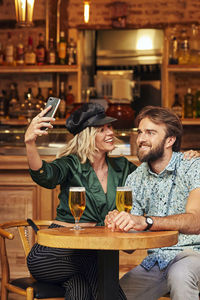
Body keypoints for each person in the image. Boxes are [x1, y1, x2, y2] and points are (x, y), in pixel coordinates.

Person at [24, 102, 137, 300]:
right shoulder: (71, 164)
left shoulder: (122, 166)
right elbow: (46, 175)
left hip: (95, 249)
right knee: (100, 261)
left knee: (80, 291)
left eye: (109, 126)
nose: (110, 132)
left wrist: (184, 157)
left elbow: (152, 176)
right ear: (87, 136)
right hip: (52, 253)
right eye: (101, 129)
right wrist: (29, 143)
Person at [105, 105, 200, 300]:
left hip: (193, 255)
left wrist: (146, 221)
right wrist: (121, 224)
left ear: (170, 140)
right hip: (156, 262)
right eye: (140, 132)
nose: (141, 139)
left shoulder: (192, 166)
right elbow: (130, 247)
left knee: (180, 276)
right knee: (112, 295)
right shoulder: (135, 178)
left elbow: (196, 221)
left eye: (150, 132)